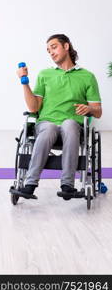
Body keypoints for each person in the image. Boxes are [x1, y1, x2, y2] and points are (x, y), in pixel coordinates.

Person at [17, 34, 102, 198]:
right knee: (48, 128)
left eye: (54, 47)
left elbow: (98, 111)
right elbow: (33, 107)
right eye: (48, 50)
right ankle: (30, 184)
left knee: (69, 124)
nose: (51, 52)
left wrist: (89, 109)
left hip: (73, 127)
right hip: (46, 124)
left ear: (66, 46)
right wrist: (24, 81)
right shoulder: (45, 75)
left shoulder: (87, 76)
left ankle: (67, 185)